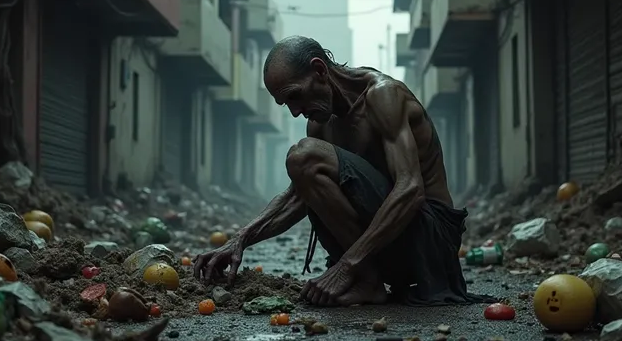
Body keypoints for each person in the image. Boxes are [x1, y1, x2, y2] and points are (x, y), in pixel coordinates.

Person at [194, 36, 494, 307]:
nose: (295, 111)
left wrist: (346, 266)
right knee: (304, 160)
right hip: (388, 248)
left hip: (431, 243)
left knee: (303, 155)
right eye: (285, 104)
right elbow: (298, 198)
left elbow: (411, 190)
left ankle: (364, 278)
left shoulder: (382, 96)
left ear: (320, 71)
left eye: (295, 96)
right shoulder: (320, 123)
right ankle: (370, 281)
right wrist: (240, 239)